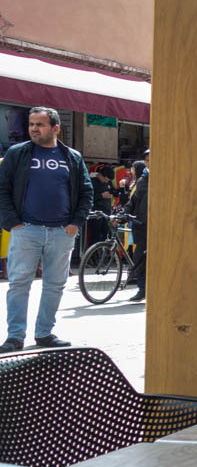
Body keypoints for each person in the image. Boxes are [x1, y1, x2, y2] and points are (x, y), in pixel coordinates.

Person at [0, 107, 93, 351]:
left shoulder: (72, 156)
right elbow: (2, 188)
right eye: (31, 124)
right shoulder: (17, 153)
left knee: (54, 285)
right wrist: (12, 223)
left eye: (40, 124)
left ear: (55, 128)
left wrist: (76, 223)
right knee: (19, 284)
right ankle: (15, 337)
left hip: (62, 232)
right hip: (26, 230)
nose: (33, 129)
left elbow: (86, 192)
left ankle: (44, 333)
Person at [127, 151, 150, 301]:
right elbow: (133, 202)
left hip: (158, 227)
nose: (150, 162)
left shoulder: (165, 178)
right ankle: (142, 289)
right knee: (139, 257)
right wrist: (123, 213)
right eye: (147, 160)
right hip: (141, 225)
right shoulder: (143, 180)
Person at [87, 165, 116, 246]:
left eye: (108, 180)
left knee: (107, 234)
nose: (106, 181)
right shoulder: (92, 182)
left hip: (106, 212)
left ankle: (107, 252)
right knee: (95, 235)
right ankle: (93, 252)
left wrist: (113, 193)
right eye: (105, 179)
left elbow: (114, 191)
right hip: (95, 213)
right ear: (100, 175)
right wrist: (101, 196)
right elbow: (87, 198)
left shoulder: (108, 183)